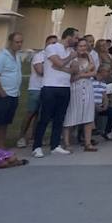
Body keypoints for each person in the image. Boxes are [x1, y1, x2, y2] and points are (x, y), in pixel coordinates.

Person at [32, 27, 77, 157]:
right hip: (50, 87)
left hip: (65, 87)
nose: (76, 40)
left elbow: (74, 69)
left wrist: (63, 68)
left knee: (59, 118)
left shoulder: (70, 50)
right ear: (68, 37)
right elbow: (58, 62)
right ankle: (37, 146)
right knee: (45, 117)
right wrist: (69, 59)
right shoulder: (52, 47)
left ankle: (55, 145)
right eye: (75, 37)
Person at [0, 32, 25, 152]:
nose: (19, 45)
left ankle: (1, 145)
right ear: (10, 42)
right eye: (17, 42)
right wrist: (2, 93)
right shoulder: (1, 57)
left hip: (13, 95)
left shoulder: (17, 57)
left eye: (21, 42)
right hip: (1, 96)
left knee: (5, 122)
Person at [64, 37, 97, 151]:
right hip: (75, 89)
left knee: (88, 115)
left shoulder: (87, 58)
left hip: (87, 87)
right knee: (71, 114)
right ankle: (67, 142)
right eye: (81, 46)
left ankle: (88, 143)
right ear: (76, 47)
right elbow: (73, 76)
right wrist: (86, 72)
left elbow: (94, 71)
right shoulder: (73, 60)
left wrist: (88, 56)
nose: (83, 48)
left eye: (85, 46)